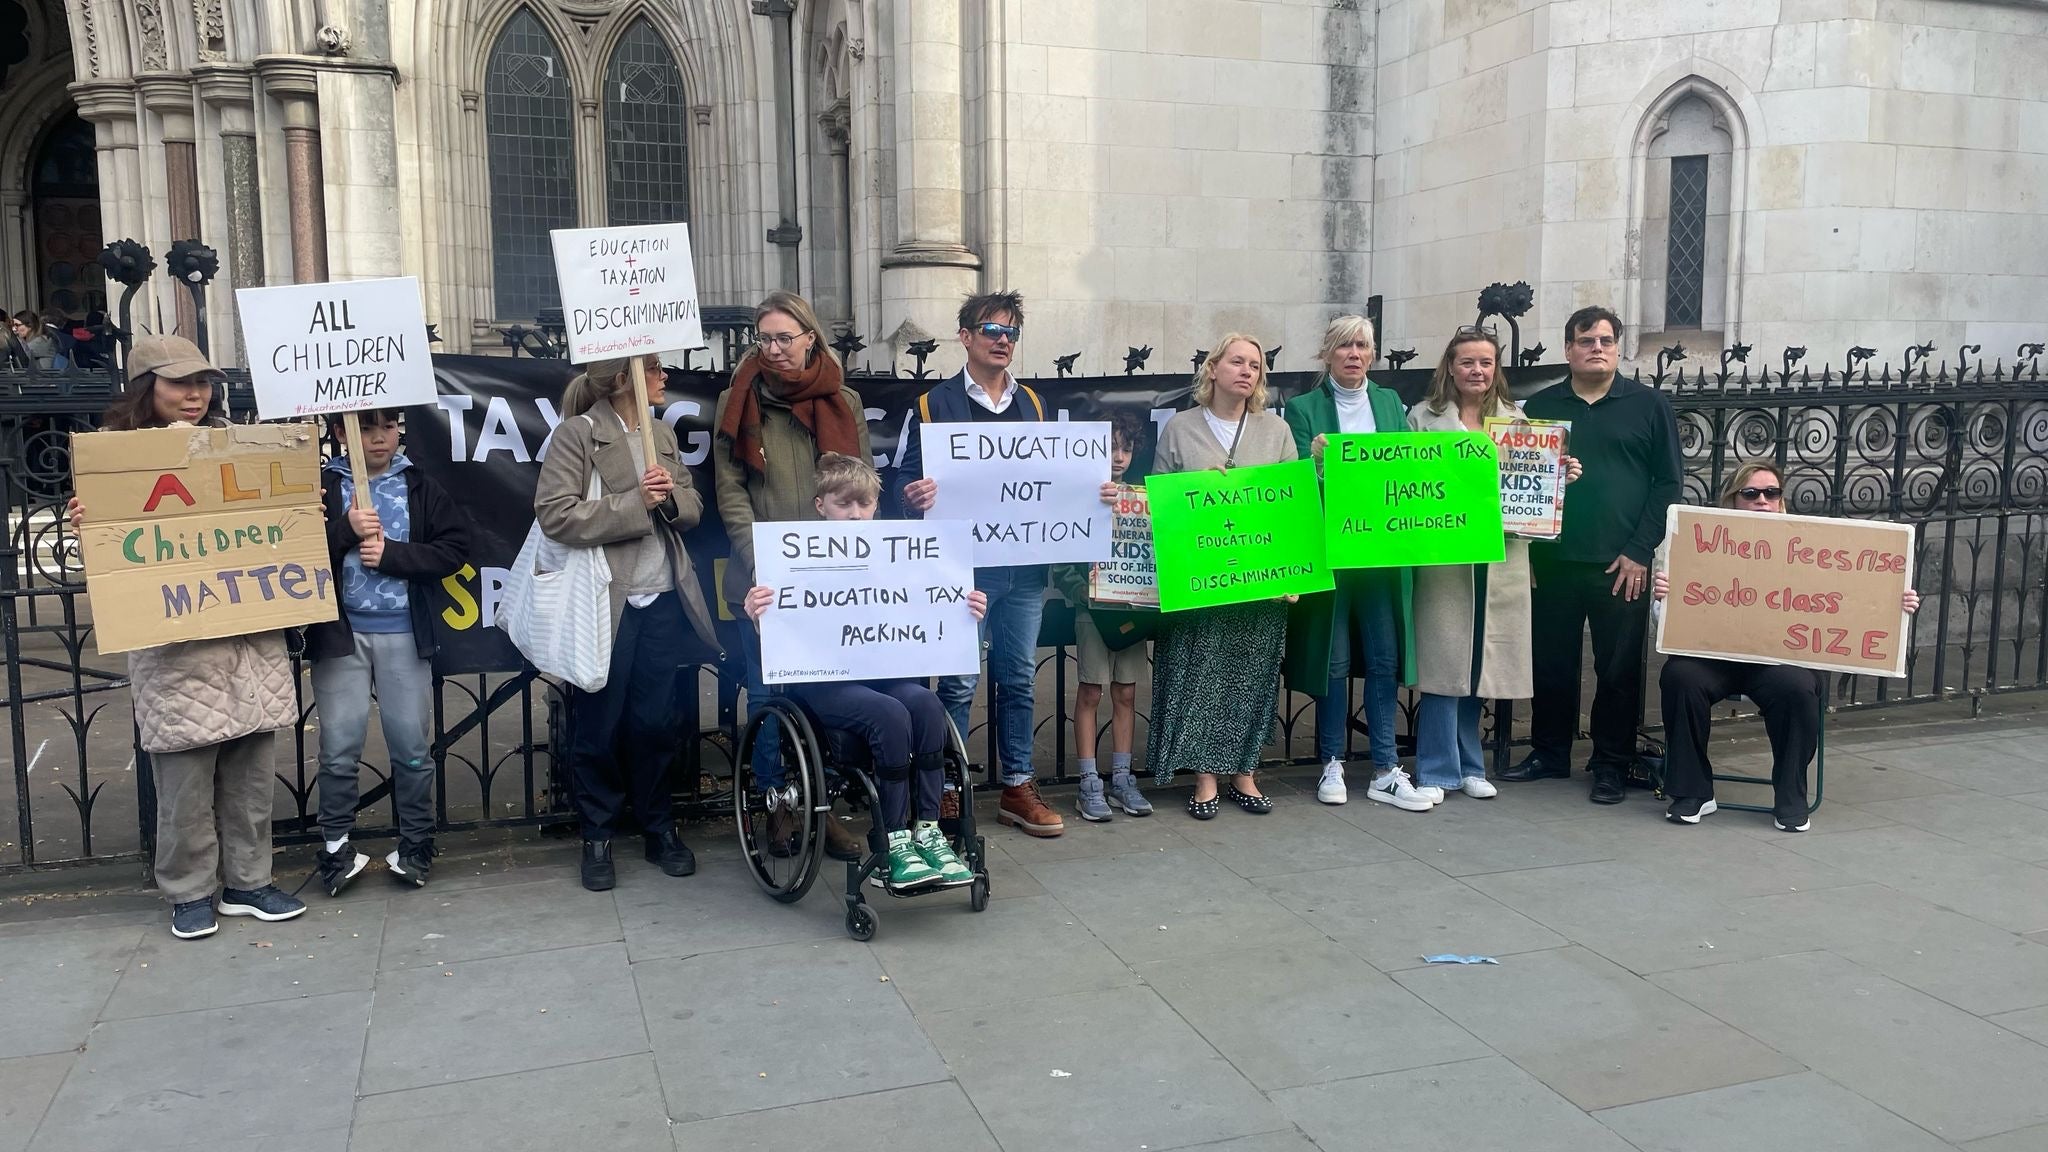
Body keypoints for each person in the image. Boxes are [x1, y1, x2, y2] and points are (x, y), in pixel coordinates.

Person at [66, 335, 306, 939]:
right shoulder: (116, 460)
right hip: (177, 647)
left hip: (250, 640)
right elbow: (113, 564)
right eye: (179, 383)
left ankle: (251, 883)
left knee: (252, 778)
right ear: (148, 388)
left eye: (202, 382)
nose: (195, 394)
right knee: (185, 785)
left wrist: (301, 513)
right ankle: (189, 890)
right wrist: (87, 526)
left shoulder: (243, 445)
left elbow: (277, 525)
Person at [743, 454, 985, 888]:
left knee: (927, 704)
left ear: (877, 506)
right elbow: (778, 629)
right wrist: (757, 612)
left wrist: (965, 608)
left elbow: (937, 602)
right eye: (844, 504)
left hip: (884, 672)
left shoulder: (902, 557)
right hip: (823, 685)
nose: (856, 514)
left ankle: (928, 831)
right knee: (889, 715)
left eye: (865, 504)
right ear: (821, 506)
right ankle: (893, 840)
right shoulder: (794, 558)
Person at [533, 353, 722, 892]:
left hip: (661, 597)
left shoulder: (662, 432)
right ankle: (598, 833)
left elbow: (691, 506)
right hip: (604, 602)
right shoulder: (578, 434)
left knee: (656, 722)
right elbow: (556, 515)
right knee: (599, 724)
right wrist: (635, 501)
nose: (665, 378)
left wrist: (666, 502)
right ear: (624, 380)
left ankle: (659, 825)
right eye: (655, 369)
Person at [1652, 462, 1919, 831]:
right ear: (1732, 500)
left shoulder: (1806, 544)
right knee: (1680, 677)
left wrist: (1894, 604)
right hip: (1714, 656)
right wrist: (1663, 600)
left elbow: (1851, 598)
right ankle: (1693, 791)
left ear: (1781, 500)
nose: (1763, 500)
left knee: (1797, 688)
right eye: (1751, 493)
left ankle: (1790, 794)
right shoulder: (1696, 540)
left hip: (1779, 660)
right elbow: (1669, 626)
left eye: (1771, 493)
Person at [892, 290, 1068, 838]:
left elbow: (1054, 481)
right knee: (960, 684)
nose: (1002, 341)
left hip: (1024, 569)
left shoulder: (1034, 405)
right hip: (962, 571)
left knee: (1018, 679)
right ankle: (946, 788)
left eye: (1011, 332)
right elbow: (897, 478)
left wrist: (1096, 494)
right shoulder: (930, 405)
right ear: (965, 337)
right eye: (991, 330)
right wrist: (911, 496)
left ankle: (1017, 785)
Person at [714, 291, 874, 862]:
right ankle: (775, 810)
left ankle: (822, 812)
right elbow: (730, 489)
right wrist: (761, 556)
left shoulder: (844, 401)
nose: (775, 349)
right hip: (763, 582)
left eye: (786, 337)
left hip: (831, 584)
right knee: (766, 698)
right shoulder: (740, 399)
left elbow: (861, 482)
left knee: (825, 700)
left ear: (811, 338)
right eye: (766, 339)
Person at [1506, 305, 1682, 804]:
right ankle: (1549, 752)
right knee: (1553, 664)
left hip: (1621, 563)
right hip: (1554, 561)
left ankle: (1611, 762)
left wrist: (1639, 551)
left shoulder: (1648, 405)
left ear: (1618, 347)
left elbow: (1668, 482)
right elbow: (1519, 483)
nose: (1597, 348)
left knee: (1619, 671)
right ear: (1568, 349)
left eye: (1605, 340)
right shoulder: (1540, 407)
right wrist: (1530, 553)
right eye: (1586, 341)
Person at [1407, 329, 1580, 803]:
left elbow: (1535, 487)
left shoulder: (1520, 422)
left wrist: (1559, 475)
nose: (1477, 371)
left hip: (1503, 556)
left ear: (1496, 369)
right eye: (1467, 362)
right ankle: (1436, 768)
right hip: (1446, 557)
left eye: (1485, 362)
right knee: (1445, 660)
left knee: (1483, 658)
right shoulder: (1422, 419)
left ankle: (1469, 764)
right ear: (1450, 367)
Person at [308, 408, 471, 894]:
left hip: (404, 633)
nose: (378, 438)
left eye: (386, 426)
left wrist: (396, 556)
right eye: (364, 427)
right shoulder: (320, 487)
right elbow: (291, 549)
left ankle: (417, 841)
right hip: (340, 637)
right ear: (339, 433)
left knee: (411, 746)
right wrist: (344, 530)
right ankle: (336, 845)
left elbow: (454, 548)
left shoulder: (419, 485)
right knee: (338, 746)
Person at [1149, 335, 1296, 818]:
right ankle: (1205, 776)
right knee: (1199, 674)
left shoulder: (1275, 430)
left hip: (1260, 581)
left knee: (1252, 674)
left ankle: (1245, 771)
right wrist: (1197, 490)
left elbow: (1291, 509)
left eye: (1255, 365)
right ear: (1213, 369)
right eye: (1237, 361)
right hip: (1201, 577)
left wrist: (1293, 572)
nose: (1247, 371)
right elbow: (1157, 506)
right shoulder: (1180, 430)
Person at [1284, 314, 1424, 809]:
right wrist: (1315, 461)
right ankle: (1331, 762)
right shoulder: (1302, 409)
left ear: (1373, 353)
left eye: (1362, 345)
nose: (1354, 354)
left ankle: (1386, 766)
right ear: (1327, 353)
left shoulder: (1389, 403)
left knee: (1384, 658)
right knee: (1335, 659)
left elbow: (1409, 470)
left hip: (1382, 557)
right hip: (1332, 553)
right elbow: (1291, 479)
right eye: (1344, 346)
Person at [1050, 410, 1154, 821]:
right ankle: (1089, 781)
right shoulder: (1077, 496)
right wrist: (1084, 592)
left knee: (1126, 692)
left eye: (1126, 449)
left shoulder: (1142, 496)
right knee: (1091, 691)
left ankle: (1123, 777)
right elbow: (1060, 556)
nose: (1119, 457)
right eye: (1111, 448)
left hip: (1131, 605)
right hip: (1093, 610)